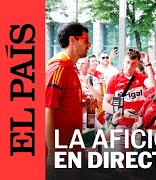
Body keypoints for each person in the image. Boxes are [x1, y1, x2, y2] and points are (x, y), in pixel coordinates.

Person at [45, 22, 91, 180]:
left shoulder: (70, 68)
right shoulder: (58, 68)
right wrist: (52, 154)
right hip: (62, 152)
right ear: (73, 40)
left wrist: (82, 105)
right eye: (85, 40)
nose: (89, 44)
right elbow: (47, 110)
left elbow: (63, 105)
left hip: (74, 147)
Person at [102, 49, 155, 166]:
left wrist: (148, 63)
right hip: (121, 126)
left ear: (138, 64)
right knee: (122, 163)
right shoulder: (114, 79)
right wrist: (122, 112)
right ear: (123, 61)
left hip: (139, 126)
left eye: (133, 64)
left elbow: (152, 86)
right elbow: (105, 104)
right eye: (127, 62)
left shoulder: (140, 77)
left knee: (139, 164)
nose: (129, 66)